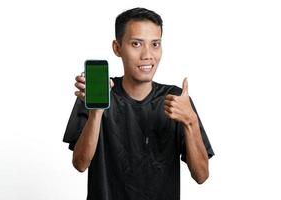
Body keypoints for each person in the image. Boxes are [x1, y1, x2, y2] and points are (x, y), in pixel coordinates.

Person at [63, 7, 214, 200]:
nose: (147, 55)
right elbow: (80, 164)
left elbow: (201, 176)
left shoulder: (175, 99)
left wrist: (190, 122)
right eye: (136, 44)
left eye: (155, 44)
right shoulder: (99, 93)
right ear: (117, 48)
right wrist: (96, 113)